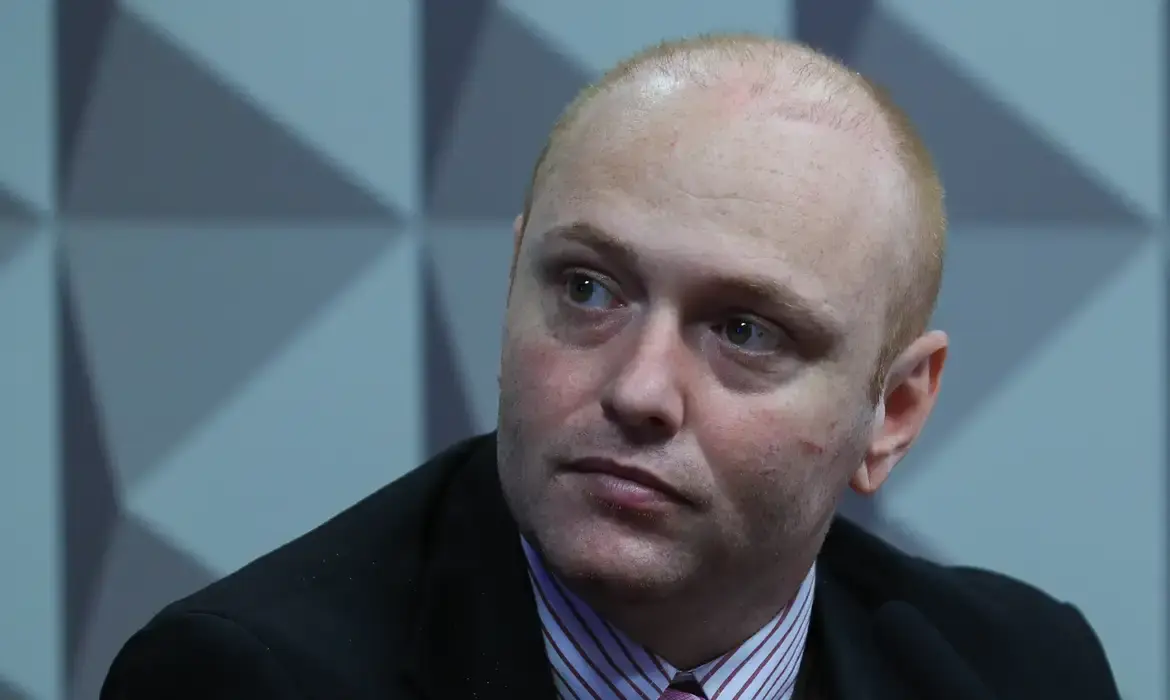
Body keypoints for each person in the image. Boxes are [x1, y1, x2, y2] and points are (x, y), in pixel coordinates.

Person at [100, 34, 1121, 700]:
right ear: (514, 280)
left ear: (892, 411)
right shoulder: (247, 679)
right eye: (588, 289)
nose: (638, 390)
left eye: (746, 330)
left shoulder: (1021, 674)